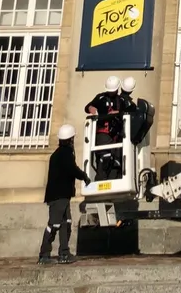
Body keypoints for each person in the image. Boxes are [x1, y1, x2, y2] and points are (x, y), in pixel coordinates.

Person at [38, 124, 88, 265]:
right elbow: (72, 170)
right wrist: (84, 176)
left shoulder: (58, 154)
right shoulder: (65, 154)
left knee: (66, 223)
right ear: (70, 140)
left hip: (62, 196)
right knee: (53, 224)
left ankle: (64, 253)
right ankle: (44, 254)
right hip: (58, 197)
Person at [86, 76, 125, 180]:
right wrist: (91, 108)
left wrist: (117, 113)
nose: (111, 93)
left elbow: (129, 111)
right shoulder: (100, 97)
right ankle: (101, 179)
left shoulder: (121, 100)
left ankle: (114, 179)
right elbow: (88, 107)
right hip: (103, 135)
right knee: (104, 159)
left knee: (116, 161)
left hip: (116, 136)